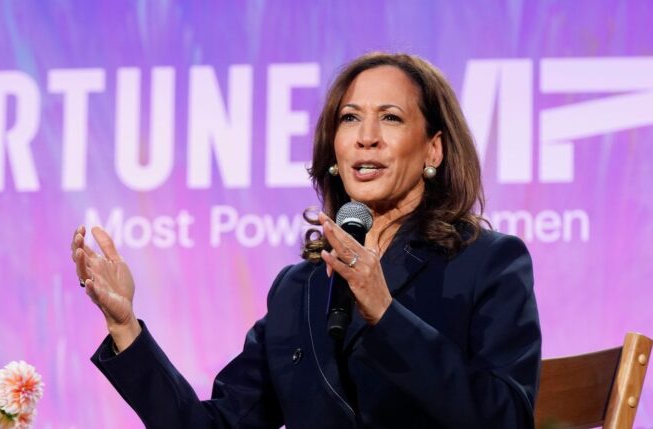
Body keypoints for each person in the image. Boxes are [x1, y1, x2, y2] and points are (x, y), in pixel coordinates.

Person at [70, 52, 541, 428]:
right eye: (350, 118)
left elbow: (505, 417)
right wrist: (125, 326)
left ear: (433, 148)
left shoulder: (487, 262)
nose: (367, 137)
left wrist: (386, 314)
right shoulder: (301, 288)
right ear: (333, 149)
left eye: (391, 118)